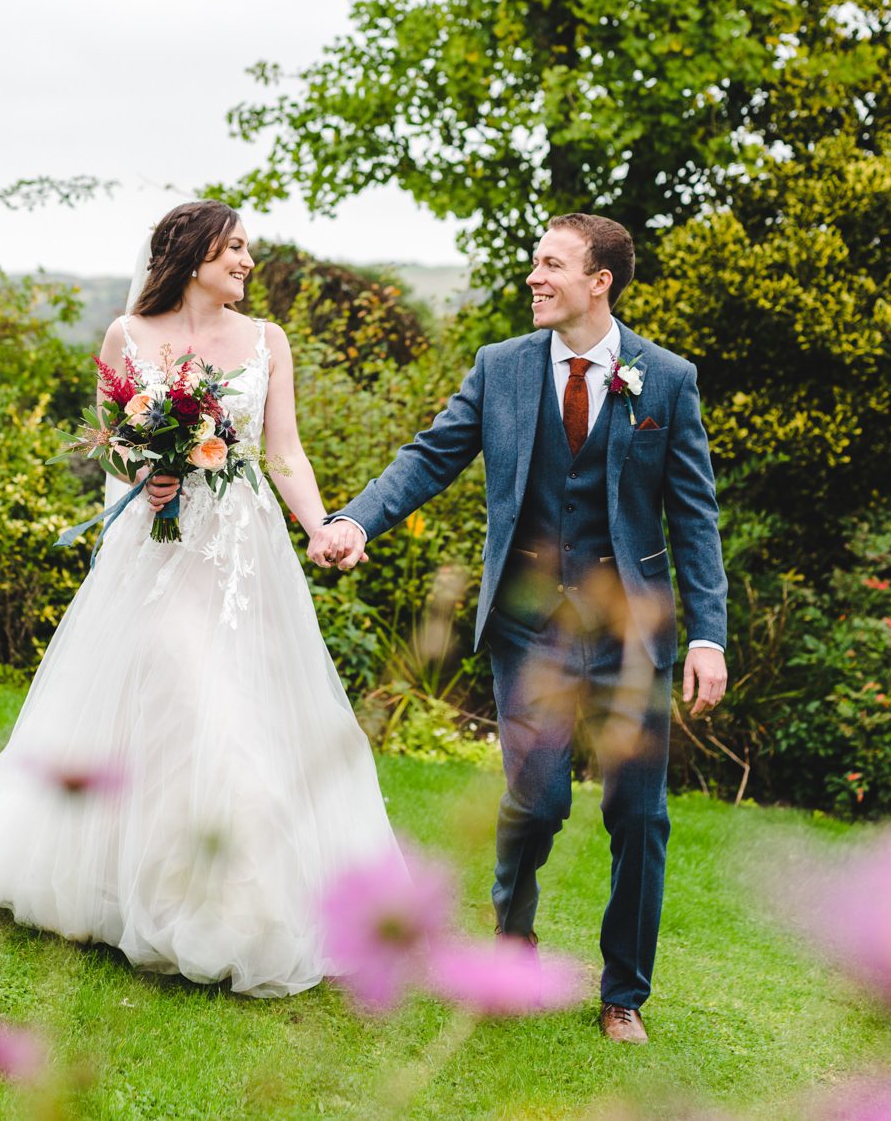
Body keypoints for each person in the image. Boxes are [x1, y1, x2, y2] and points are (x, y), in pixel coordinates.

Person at [0, 200, 398, 998]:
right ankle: (196, 902)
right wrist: (145, 476)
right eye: (235, 249)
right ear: (194, 257)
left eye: (247, 251)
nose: (248, 261)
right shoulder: (127, 336)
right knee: (189, 706)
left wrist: (321, 524)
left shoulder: (269, 340)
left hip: (241, 553)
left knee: (234, 710)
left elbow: (284, 451)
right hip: (157, 553)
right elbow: (113, 450)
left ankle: (204, 896)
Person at [308, 213, 728, 1043]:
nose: (534, 277)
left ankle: (623, 994)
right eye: (534, 262)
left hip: (630, 635)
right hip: (530, 629)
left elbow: (695, 518)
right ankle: (513, 946)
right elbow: (431, 456)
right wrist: (356, 519)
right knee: (533, 804)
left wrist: (708, 634)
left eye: (551, 264)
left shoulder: (666, 379)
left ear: (599, 280)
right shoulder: (500, 368)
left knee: (638, 817)